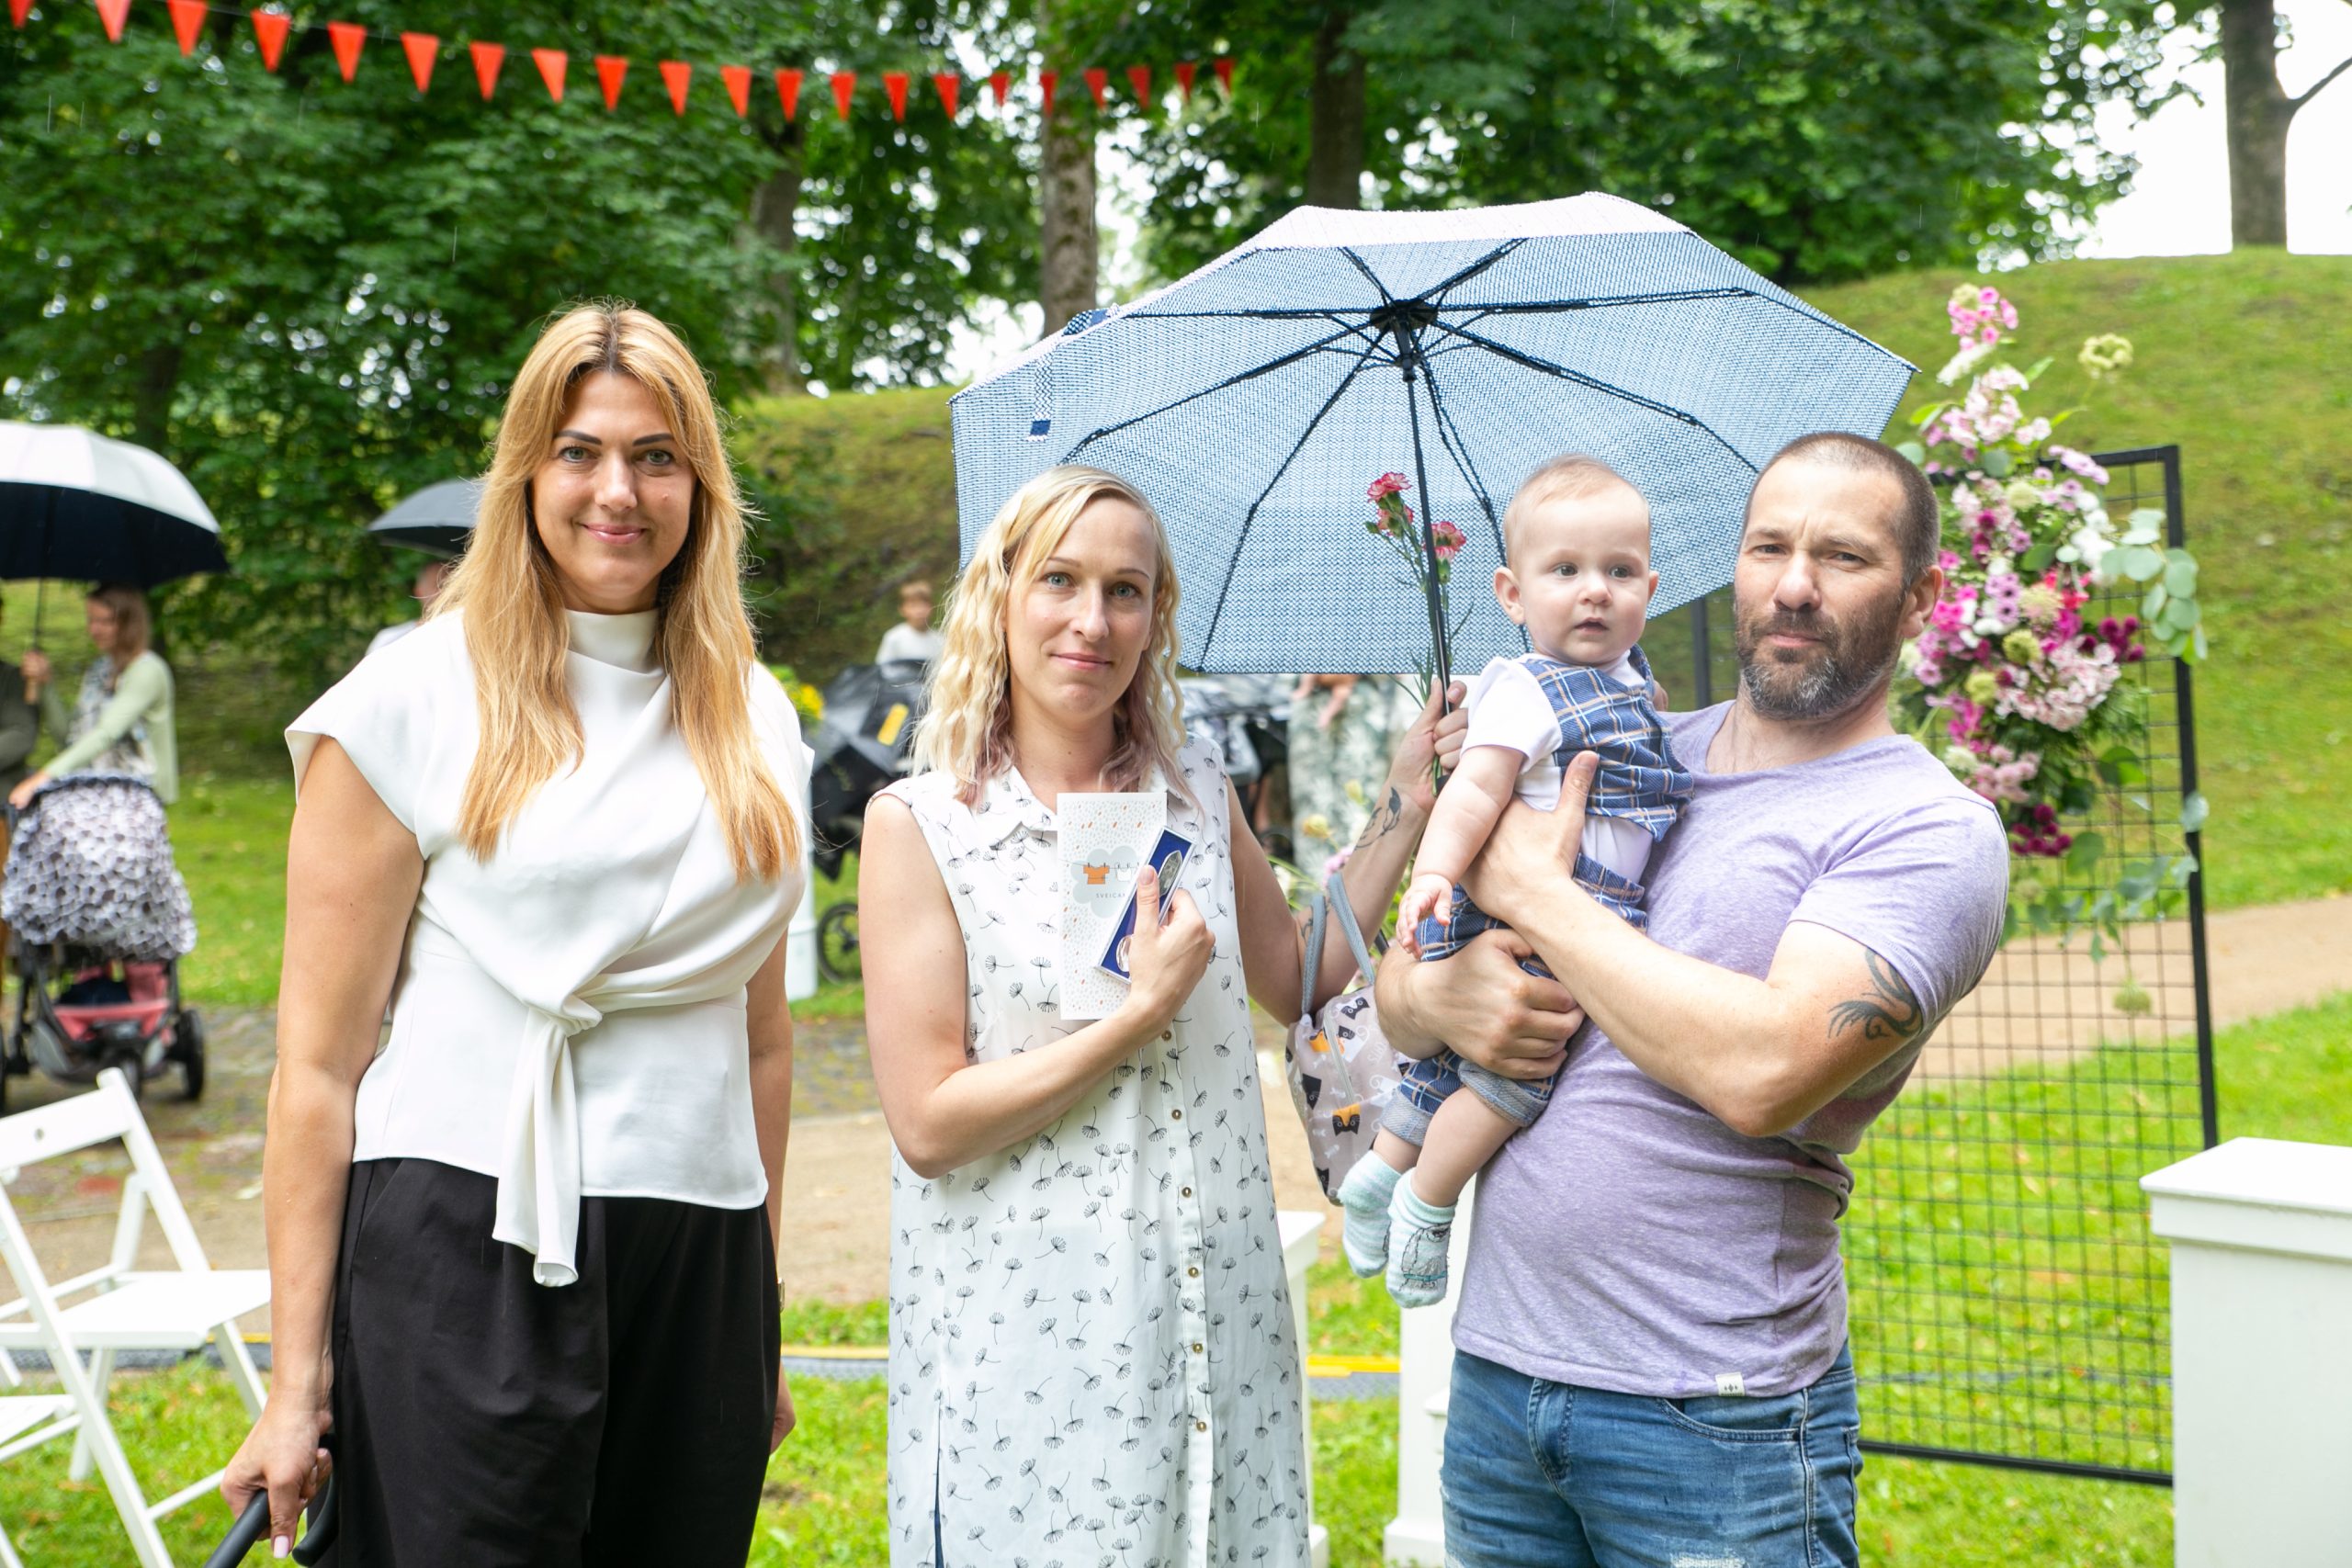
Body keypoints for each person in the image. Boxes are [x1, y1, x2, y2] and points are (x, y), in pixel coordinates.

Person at [220, 303, 810, 1564]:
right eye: (579, 451)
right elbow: (316, 1069)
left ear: (701, 484)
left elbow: (761, 1041)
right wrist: (295, 1381)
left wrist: (756, 1311)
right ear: (526, 475)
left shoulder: (756, 717)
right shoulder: (409, 698)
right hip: (464, 1236)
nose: (619, 492)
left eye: (656, 456)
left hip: (698, 1249)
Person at [1377, 431, 2010, 1567]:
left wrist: (1530, 891)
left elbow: (1762, 1072)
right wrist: (1443, 996)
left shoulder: (1928, 830)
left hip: (1714, 1419)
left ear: (1921, 597)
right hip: (1501, 1383)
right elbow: (1394, 997)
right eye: (1768, 547)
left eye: (1842, 557)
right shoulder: (1625, 747)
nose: (1793, 585)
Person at [858, 463, 1443, 1568]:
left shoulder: (1195, 793)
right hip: (1038, 1342)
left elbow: (1299, 972)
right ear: (999, 595)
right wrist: (1137, 1018)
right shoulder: (925, 826)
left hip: (1213, 1318)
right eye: (1059, 581)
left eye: (1124, 590)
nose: (1092, 620)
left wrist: (1407, 801)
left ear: (1156, 614)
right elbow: (928, 1124)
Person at [1340, 456, 1691, 1307]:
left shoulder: (1635, 684)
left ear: (1649, 589)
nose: (1595, 590)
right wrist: (1431, 874)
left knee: (1455, 1061)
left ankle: (1378, 1174)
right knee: (1515, 1074)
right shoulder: (1525, 690)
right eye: (1564, 570)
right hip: (1531, 919)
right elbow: (1473, 793)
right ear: (1512, 593)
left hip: (1570, 911)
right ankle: (1429, 1202)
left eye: (1619, 571)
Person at [12, 584, 177, 809]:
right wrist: (45, 684)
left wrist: (42, 778)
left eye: (105, 621)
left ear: (130, 623)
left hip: (139, 799)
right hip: (95, 795)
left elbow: (106, 733)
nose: (94, 630)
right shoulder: (99, 670)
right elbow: (70, 738)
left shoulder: (147, 671)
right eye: (91, 620)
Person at [363, 557, 456, 660]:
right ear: (419, 592)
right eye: (439, 585)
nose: (447, 592)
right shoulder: (390, 640)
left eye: (451, 585)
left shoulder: (462, 638)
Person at [875, 577, 945, 664]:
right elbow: (883, 667)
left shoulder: (940, 639)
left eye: (923, 605)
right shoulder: (894, 638)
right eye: (913, 606)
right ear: (902, 609)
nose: (919, 611)